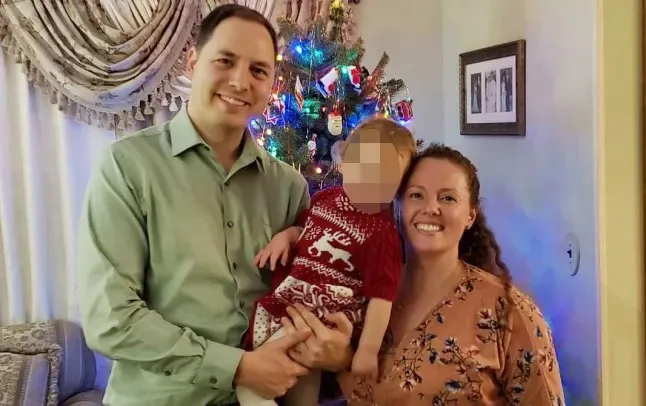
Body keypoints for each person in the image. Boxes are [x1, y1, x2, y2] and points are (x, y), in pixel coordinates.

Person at [76, 5, 350, 406]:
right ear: (192, 62)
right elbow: (110, 318)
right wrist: (237, 367)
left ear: (271, 84)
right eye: (225, 61)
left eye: (258, 70)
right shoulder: (128, 166)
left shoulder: (289, 187)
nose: (240, 81)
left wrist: (338, 350)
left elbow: (304, 295)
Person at [283, 143, 566, 405]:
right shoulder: (358, 291)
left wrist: (344, 360)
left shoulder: (510, 314)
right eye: (416, 195)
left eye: (448, 198)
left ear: (470, 214)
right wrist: (340, 359)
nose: (431, 208)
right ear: (399, 205)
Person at [236, 118, 417, 406]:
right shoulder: (326, 198)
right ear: (343, 162)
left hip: (327, 316)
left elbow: (382, 296)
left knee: (255, 385)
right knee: (293, 384)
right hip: (295, 305)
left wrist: (367, 350)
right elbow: (307, 229)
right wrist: (286, 237)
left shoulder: (381, 232)